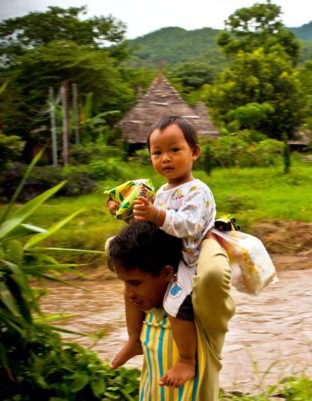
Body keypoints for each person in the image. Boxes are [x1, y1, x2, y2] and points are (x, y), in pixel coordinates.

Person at [107, 116, 216, 387]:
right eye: (157, 153)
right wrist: (127, 214)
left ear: (195, 152)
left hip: (189, 261)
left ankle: (187, 361)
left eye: (174, 150)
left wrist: (156, 212)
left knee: (175, 304)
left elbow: (188, 224)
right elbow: (149, 227)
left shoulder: (197, 191)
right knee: (129, 287)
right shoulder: (163, 192)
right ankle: (134, 340)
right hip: (166, 256)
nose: (165, 158)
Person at [107, 222, 235, 401]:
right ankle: (134, 341)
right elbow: (112, 246)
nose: (128, 294)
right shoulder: (151, 308)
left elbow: (213, 274)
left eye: (135, 283)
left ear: (167, 273)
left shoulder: (203, 316)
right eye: (125, 283)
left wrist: (207, 236)